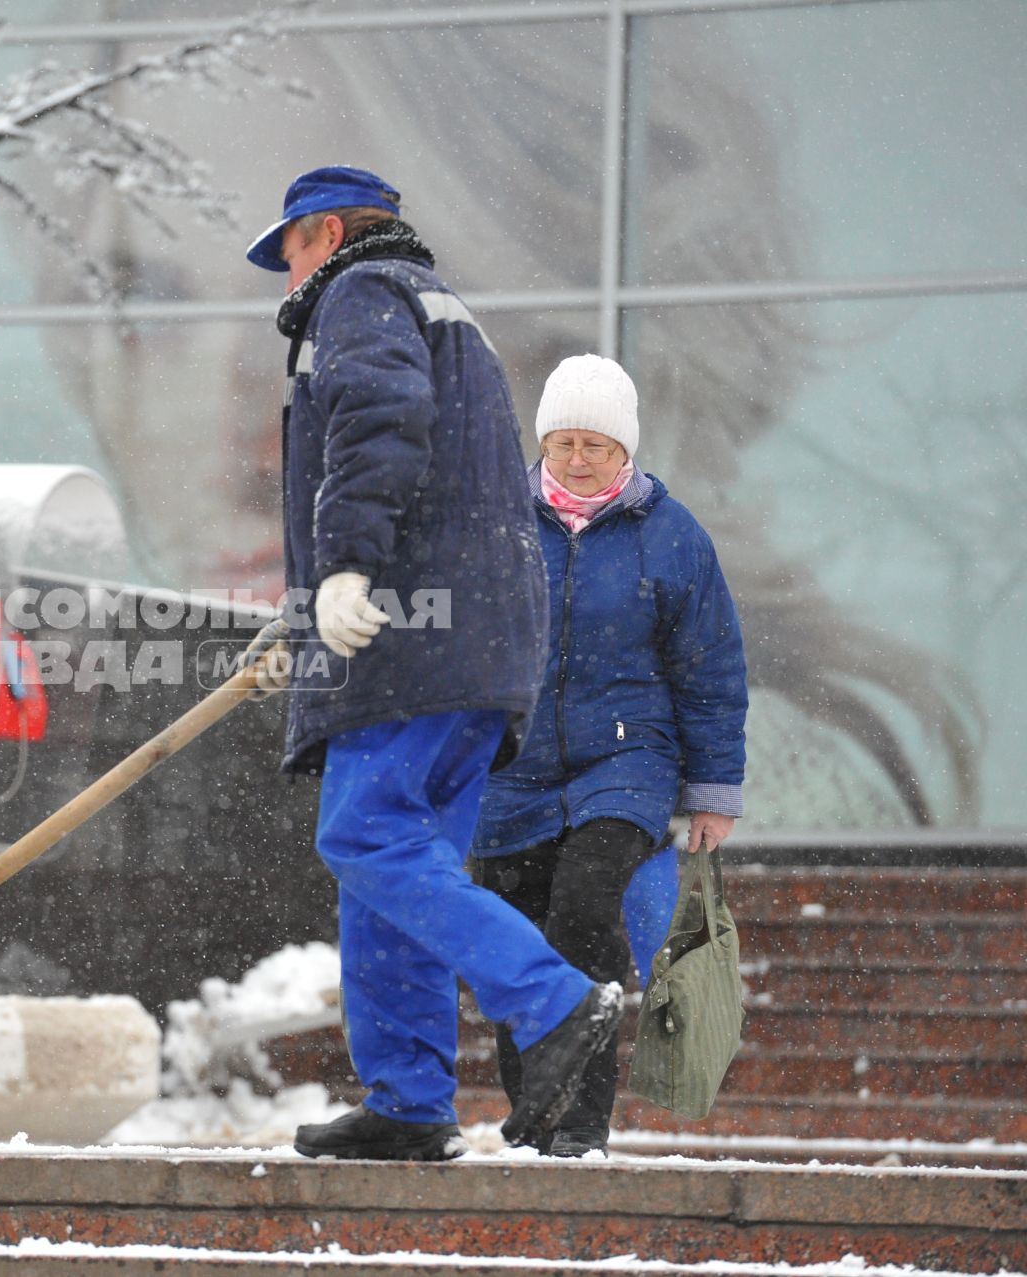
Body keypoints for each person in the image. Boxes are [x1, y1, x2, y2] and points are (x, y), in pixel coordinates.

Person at [241, 166, 624, 1161]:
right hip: (474, 639)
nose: (284, 271)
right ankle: (409, 1100)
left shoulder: (361, 294)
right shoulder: (443, 309)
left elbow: (378, 424)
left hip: (409, 638)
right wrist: (312, 607)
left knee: (368, 838)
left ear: (325, 232)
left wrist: (348, 566)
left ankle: (553, 998)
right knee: (394, 870)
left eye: (287, 247)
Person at [471, 353, 748, 1158]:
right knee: (512, 943)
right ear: (543, 443)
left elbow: (711, 666)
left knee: (584, 910)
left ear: (626, 449)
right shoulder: (497, 522)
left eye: (598, 443)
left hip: (627, 759)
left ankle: (583, 1119)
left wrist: (713, 788)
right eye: (564, 442)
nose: (580, 459)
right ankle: (533, 1113)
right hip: (512, 764)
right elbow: (459, 641)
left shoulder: (670, 534)